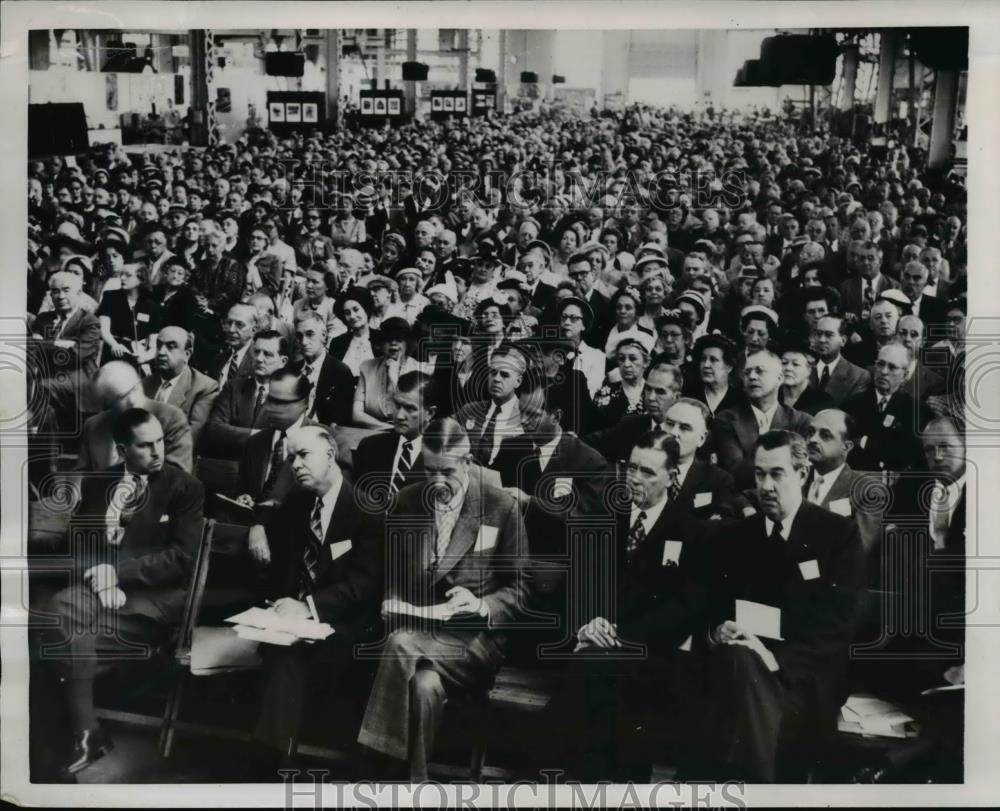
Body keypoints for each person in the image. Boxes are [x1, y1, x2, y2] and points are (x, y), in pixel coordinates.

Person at [356, 417, 528, 782]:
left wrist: (481, 605)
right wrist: (393, 601)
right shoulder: (407, 501)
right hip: (419, 628)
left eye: (446, 471)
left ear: (467, 462)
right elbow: (394, 575)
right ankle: (414, 784)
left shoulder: (500, 506)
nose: (437, 481)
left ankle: (375, 765)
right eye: (429, 469)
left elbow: (519, 588)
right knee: (423, 686)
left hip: (474, 636)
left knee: (399, 644)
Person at [38, 409, 204, 776]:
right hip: (95, 595)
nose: (157, 451)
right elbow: (75, 546)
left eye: (160, 441)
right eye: (145, 445)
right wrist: (99, 576)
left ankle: (80, 734)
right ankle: (86, 732)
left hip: (149, 602)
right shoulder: (99, 483)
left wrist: (118, 574)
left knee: (56, 631)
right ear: (122, 449)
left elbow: (182, 559)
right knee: (56, 615)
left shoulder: (184, 488)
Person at [698, 430, 866, 782]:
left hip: (801, 675)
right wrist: (718, 630)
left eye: (777, 474)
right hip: (737, 666)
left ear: (802, 474)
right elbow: (712, 608)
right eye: (760, 474)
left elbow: (837, 625)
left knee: (740, 678)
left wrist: (775, 660)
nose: (766, 486)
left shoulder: (837, 535)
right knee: (738, 660)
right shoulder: (735, 537)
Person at [551, 432, 708, 782]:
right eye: (631, 468)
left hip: (651, 652)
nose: (635, 478)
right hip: (593, 642)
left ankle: (568, 778)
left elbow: (685, 609)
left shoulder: (689, 531)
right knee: (590, 666)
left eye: (648, 472)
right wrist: (585, 625)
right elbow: (576, 584)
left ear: (671, 477)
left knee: (596, 674)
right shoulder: (603, 516)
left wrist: (622, 635)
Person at [252, 424, 384, 760]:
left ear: (330, 455)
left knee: (286, 657)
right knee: (283, 651)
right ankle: (275, 760)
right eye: (290, 458)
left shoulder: (365, 510)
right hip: (291, 622)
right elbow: (283, 570)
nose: (295, 465)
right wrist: (279, 605)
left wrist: (307, 606)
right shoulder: (296, 506)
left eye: (303, 455)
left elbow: (364, 585)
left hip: (343, 625)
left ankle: (269, 763)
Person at [713, 348, 812, 488]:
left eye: (759, 371)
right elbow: (735, 473)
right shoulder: (726, 419)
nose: (752, 376)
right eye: (747, 372)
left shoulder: (801, 421)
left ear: (779, 378)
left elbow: (801, 473)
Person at [76, 360, 192, 473]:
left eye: (134, 389)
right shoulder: (94, 425)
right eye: (121, 397)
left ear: (140, 382)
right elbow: (80, 474)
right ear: (107, 403)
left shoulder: (171, 419)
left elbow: (177, 481)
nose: (132, 400)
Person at [28, 270, 102, 429]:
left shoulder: (89, 321)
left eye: (66, 290)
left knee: (42, 388)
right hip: (48, 375)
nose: (60, 296)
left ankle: (35, 434)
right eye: (55, 291)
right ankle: (44, 446)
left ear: (78, 292)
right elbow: (33, 350)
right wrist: (60, 344)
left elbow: (76, 356)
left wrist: (47, 345)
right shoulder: (43, 319)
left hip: (79, 379)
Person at [201, 330, 290, 460]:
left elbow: (282, 442)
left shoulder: (289, 398)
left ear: (283, 361)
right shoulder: (233, 387)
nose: (259, 359)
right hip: (227, 467)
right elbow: (214, 430)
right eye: (256, 351)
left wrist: (235, 433)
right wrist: (260, 436)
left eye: (267, 354)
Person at [842, 341, 926, 473]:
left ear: (905, 375)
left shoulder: (917, 410)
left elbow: (908, 452)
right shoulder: (851, 405)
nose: (884, 371)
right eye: (880, 364)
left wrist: (864, 441)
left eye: (892, 367)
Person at [352, 371, 437, 499]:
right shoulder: (369, 447)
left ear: (429, 413)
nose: (399, 416)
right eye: (397, 405)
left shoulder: (440, 460)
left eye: (410, 408)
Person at [584, 359, 684, 464]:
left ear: (676, 397)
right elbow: (589, 443)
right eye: (648, 389)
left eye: (660, 392)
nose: (651, 397)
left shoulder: (685, 432)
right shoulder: (630, 425)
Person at [141, 326, 219, 445]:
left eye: (171, 347)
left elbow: (189, 439)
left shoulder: (204, 387)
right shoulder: (144, 384)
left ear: (187, 355)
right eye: (159, 345)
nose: (161, 352)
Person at [661, 398, 736, 519]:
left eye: (684, 428)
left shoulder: (718, 481)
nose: (674, 432)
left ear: (702, 438)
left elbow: (719, 528)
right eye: (669, 424)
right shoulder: (639, 470)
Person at [454, 345, 528, 468]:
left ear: (518, 381)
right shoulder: (470, 410)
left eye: (504, 375)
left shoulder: (526, 417)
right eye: (493, 372)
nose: (496, 379)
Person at [352, 317, 423, 430]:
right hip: (372, 432)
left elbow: (414, 412)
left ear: (407, 343)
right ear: (380, 343)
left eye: (399, 339)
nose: (393, 343)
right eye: (388, 339)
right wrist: (388, 427)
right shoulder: (367, 367)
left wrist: (394, 379)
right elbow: (356, 414)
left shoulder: (419, 369)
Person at [293, 313, 355, 427]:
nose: (304, 342)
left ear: (324, 335)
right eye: (299, 336)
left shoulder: (340, 372)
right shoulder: (292, 370)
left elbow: (341, 420)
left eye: (309, 334)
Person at [96, 263, 161, 370]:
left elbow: (154, 344)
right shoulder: (110, 297)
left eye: (128, 275)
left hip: (138, 356)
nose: (122, 278)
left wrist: (145, 357)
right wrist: (114, 345)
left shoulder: (152, 306)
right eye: (121, 274)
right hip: (114, 353)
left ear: (141, 278)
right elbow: (104, 330)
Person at [594, 332, 655, 427]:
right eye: (622, 359)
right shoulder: (604, 394)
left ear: (646, 362)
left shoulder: (653, 393)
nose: (626, 364)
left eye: (633, 358)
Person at [809, 315, 872, 407]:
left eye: (829, 335)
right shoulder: (804, 368)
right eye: (818, 334)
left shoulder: (859, 377)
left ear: (843, 340)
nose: (822, 340)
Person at [556, 296, 605, 398]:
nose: (567, 322)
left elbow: (592, 391)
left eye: (574, 318)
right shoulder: (551, 352)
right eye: (564, 317)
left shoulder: (596, 357)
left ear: (584, 325)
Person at [684, 333, 745, 415]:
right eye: (703, 359)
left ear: (729, 367)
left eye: (713, 360)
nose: (706, 365)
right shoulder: (689, 395)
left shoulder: (741, 400)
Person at [329, 287, 382, 378]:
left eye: (356, 309)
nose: (352, 316)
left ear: (366, 309)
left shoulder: (381, 339)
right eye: (347, 312)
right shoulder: (337, 343)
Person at [779, 340, 834, 416]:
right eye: (784, 363)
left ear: (809, 370)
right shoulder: (769, 395)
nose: (788, 368)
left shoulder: (822, 402)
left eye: (795, 364)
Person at [293, 264, 344, 341]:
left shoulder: (335, 307)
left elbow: (333, 339)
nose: (309, 286)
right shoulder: (298, 305)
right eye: (308, 280)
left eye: (315, 282)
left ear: (328, 286)